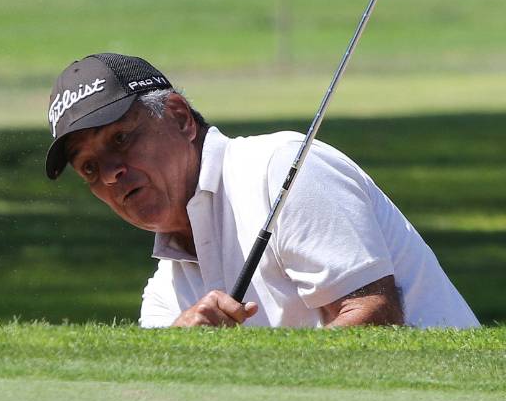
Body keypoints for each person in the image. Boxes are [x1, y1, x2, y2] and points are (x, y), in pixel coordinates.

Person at [45, 53, 479, 328]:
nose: (110, 175)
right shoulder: (166, 292)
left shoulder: (282, 169)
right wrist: (181, 360)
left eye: (121, 140)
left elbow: (374, 319)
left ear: (180, 117)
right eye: (89, 168)